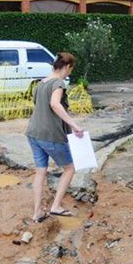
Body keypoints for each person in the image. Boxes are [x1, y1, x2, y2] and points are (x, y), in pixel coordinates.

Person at [25, 52, 85, 223]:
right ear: (67, 66)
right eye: (70, 70)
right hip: (50, 136)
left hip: (33, 133)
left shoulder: (41, 83)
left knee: (40, 172)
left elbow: (42, 108)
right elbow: (54, 105)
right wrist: (74, 125)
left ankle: (37, 213)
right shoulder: (58, 83)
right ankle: (56, 206)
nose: (70, 74)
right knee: (70, 168)